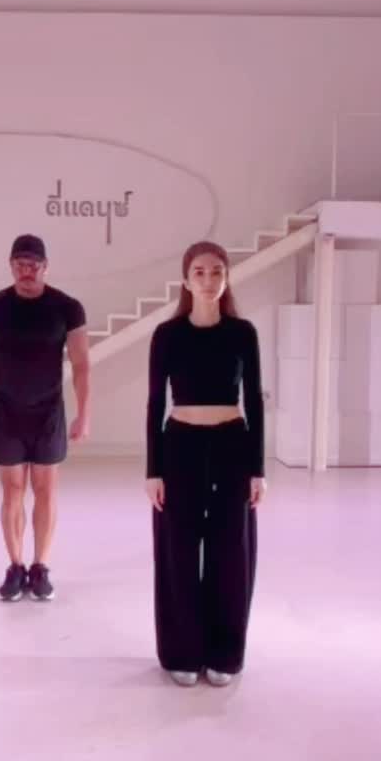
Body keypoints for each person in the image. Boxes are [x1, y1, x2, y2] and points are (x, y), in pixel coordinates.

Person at [145, 240, 266, 687]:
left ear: (227, 278)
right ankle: (181, 651)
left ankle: (225, 653)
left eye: (217, 271)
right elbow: (155, 403)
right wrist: (153, 471)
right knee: (177, 550)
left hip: (232, 445)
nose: (209, 280)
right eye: (200, 272)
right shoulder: (167, 334)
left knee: (230, 551)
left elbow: (254, 400)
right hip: (180, 447)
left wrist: (258, 470)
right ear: (186, 280)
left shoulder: (243, 333)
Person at [0, 234, 90, 602]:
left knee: (46, 489)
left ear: (45, 267)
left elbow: (82, 364)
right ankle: (16, 566)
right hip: (7, 411)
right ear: (11, 266)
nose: (27, 271)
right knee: (13, 490)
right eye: (20, 264)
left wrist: (84, 414)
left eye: (33, 265)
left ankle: (40, 566)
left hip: (49, 411)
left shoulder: (67, 308)